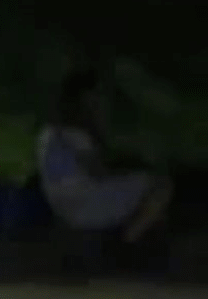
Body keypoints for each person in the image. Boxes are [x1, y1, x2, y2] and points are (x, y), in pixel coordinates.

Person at [37, 67, 173, 257]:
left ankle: (133, 240)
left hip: (59, 202)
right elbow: (98, 173)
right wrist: (131, 168)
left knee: (140, 184)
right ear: (85, 99)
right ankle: (127, 244)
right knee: (160, 185)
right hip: (83, 203)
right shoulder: (76, 134)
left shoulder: (48, 132)